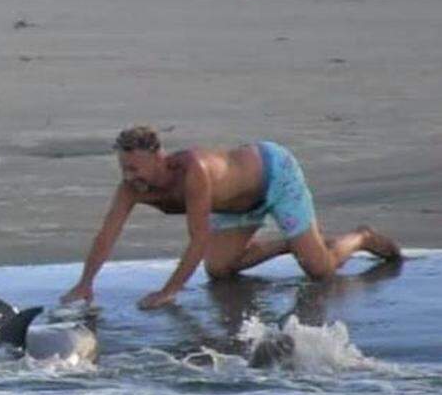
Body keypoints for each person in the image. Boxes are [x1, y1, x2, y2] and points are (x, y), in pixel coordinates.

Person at [60, 125, 401, 310]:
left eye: (134, 167)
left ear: (158, 158)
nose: (128, 174)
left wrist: (170, 291)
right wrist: (85, 282)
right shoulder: (131, 188)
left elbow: (199, 238)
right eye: (123, 167)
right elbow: (106, 236)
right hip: (237, 207)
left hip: (274, 176)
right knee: (220, 270)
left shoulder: (193, 171)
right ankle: (292, 243)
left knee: (320, 270)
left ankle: (362, 237)